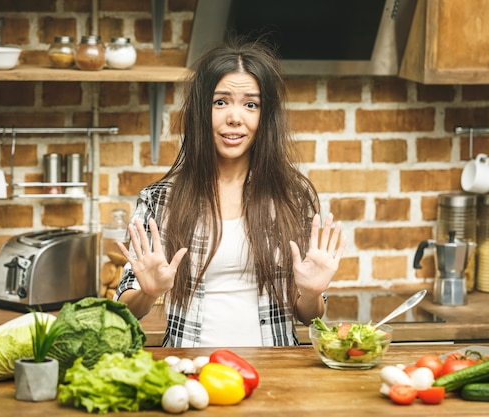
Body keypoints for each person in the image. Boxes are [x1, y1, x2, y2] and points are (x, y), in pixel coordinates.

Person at [114, 39, 346, 347]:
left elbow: (308, 315)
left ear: (265, 117)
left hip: (274, 372)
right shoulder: (160, 199)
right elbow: (127, 310)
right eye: (220, 102)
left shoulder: (292, 196)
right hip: (191, 372)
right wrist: (149, 291)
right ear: (201, 111)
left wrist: (313, 293)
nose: (235, 117)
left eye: (251, 104)